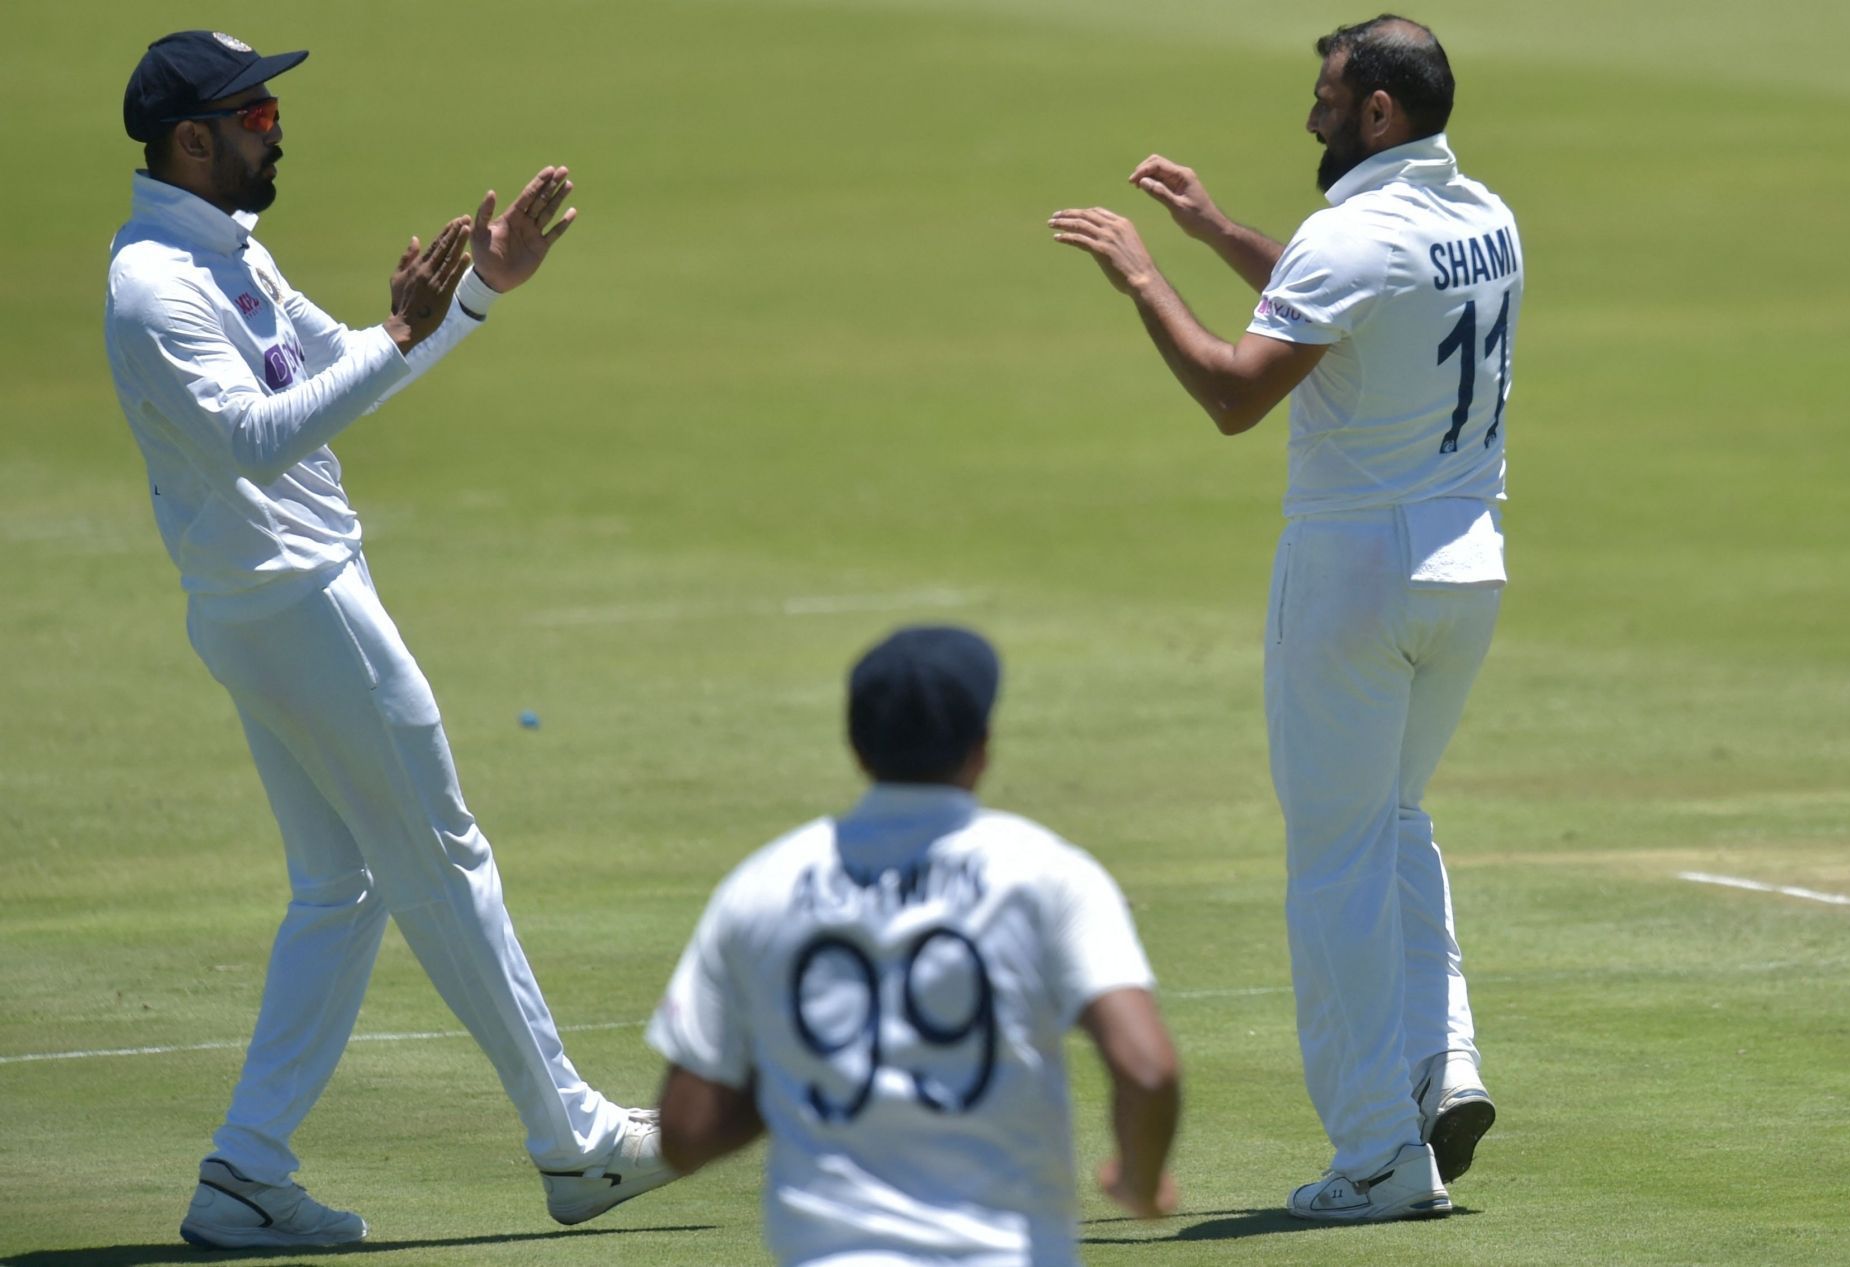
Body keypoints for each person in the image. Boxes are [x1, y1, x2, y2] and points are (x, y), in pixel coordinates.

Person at [105, 30, 676, 1249]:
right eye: (254, 115)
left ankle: (245, 1173)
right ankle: (573, 1143)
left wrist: (468, 301)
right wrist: (405, 332)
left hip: (280, 600)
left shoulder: (225, 251)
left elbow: (353, 369)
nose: (275, 129)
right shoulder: (155, 283)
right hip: (295, 602)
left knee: (344, 882)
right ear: (189, 140)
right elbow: (261, 439)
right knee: (445, 855)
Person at [1050, 14, 1518, 1223]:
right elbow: (1333, 306)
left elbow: (1233, 393)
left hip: (1354, 575)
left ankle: (1373, 1155)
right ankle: (1442, 1061)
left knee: (1332, 864)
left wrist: (1144, 276)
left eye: (1326, 97)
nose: (1309, 116)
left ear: (1377, 113)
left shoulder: (1349, 235)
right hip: (1467, 572)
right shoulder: (1484, 217)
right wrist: (1213, 234)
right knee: (1395, 820)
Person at [645, 626, 1181, 1265]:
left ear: (856, 748)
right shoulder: (1046, 872)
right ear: (982, 747)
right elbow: (1148, 1069)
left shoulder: (761, 886)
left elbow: (683, 1134)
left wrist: (804, 1079)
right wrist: (1138, 1183)